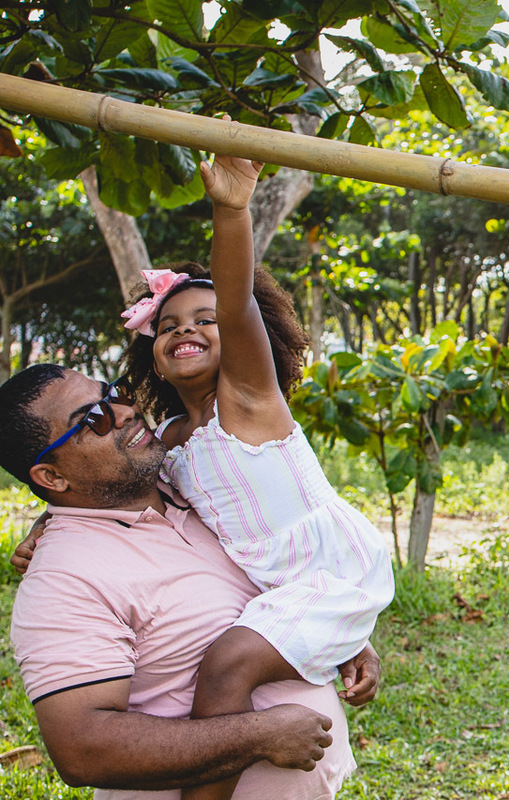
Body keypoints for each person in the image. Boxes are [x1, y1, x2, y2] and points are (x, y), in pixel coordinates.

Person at [108, 153, 395, 800]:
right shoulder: (171, 444)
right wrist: (49, 524)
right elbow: (122, 491)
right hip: (275, 587)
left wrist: (232, 209)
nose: (187, 330)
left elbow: (236, 304)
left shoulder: (248, 399)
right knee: (220, 658)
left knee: (227, 667)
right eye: (170, 326)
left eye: (203, 322)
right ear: (150, 354)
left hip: (329, 570)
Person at [0, 364, 379, 798]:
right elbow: (83, 747)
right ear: (52, 477)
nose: (124, 412)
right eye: (93, 420)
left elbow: (277, 565)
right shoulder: (62, 580)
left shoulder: (201, 483)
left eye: (116, 394)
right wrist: (258, 736)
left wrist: (330, 630)